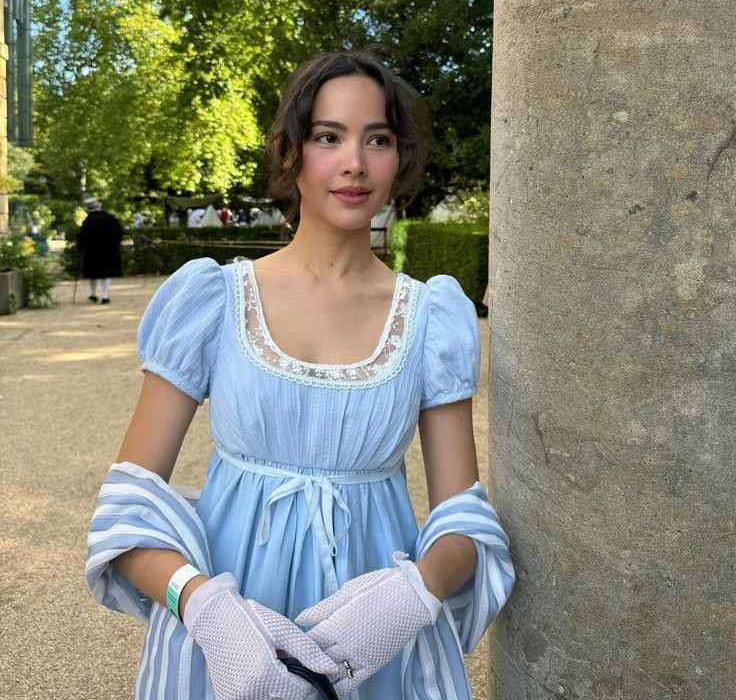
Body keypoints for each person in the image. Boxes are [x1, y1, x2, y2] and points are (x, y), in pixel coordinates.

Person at [86, 52, 514, 700]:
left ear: (400, 159)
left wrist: (412, 595)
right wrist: (204, 609)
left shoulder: (431, 319)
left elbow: (464, 520)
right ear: (292, 152)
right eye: (328, 136)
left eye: (378, 139)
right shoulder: (213, 300)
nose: (355, 163)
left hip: (379, 654)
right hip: (225, 650)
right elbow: (126, 507)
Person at [76, 197, 123, 304]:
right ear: (99, 205)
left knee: (93, 273)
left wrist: (80, 248)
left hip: (92, 252)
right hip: (109, 250)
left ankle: (93, 294)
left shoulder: (87, 221)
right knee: (107, 273)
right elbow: (119, 232)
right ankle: (105, 295)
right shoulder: (110, 218)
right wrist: (115, 244)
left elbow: (81, 237)